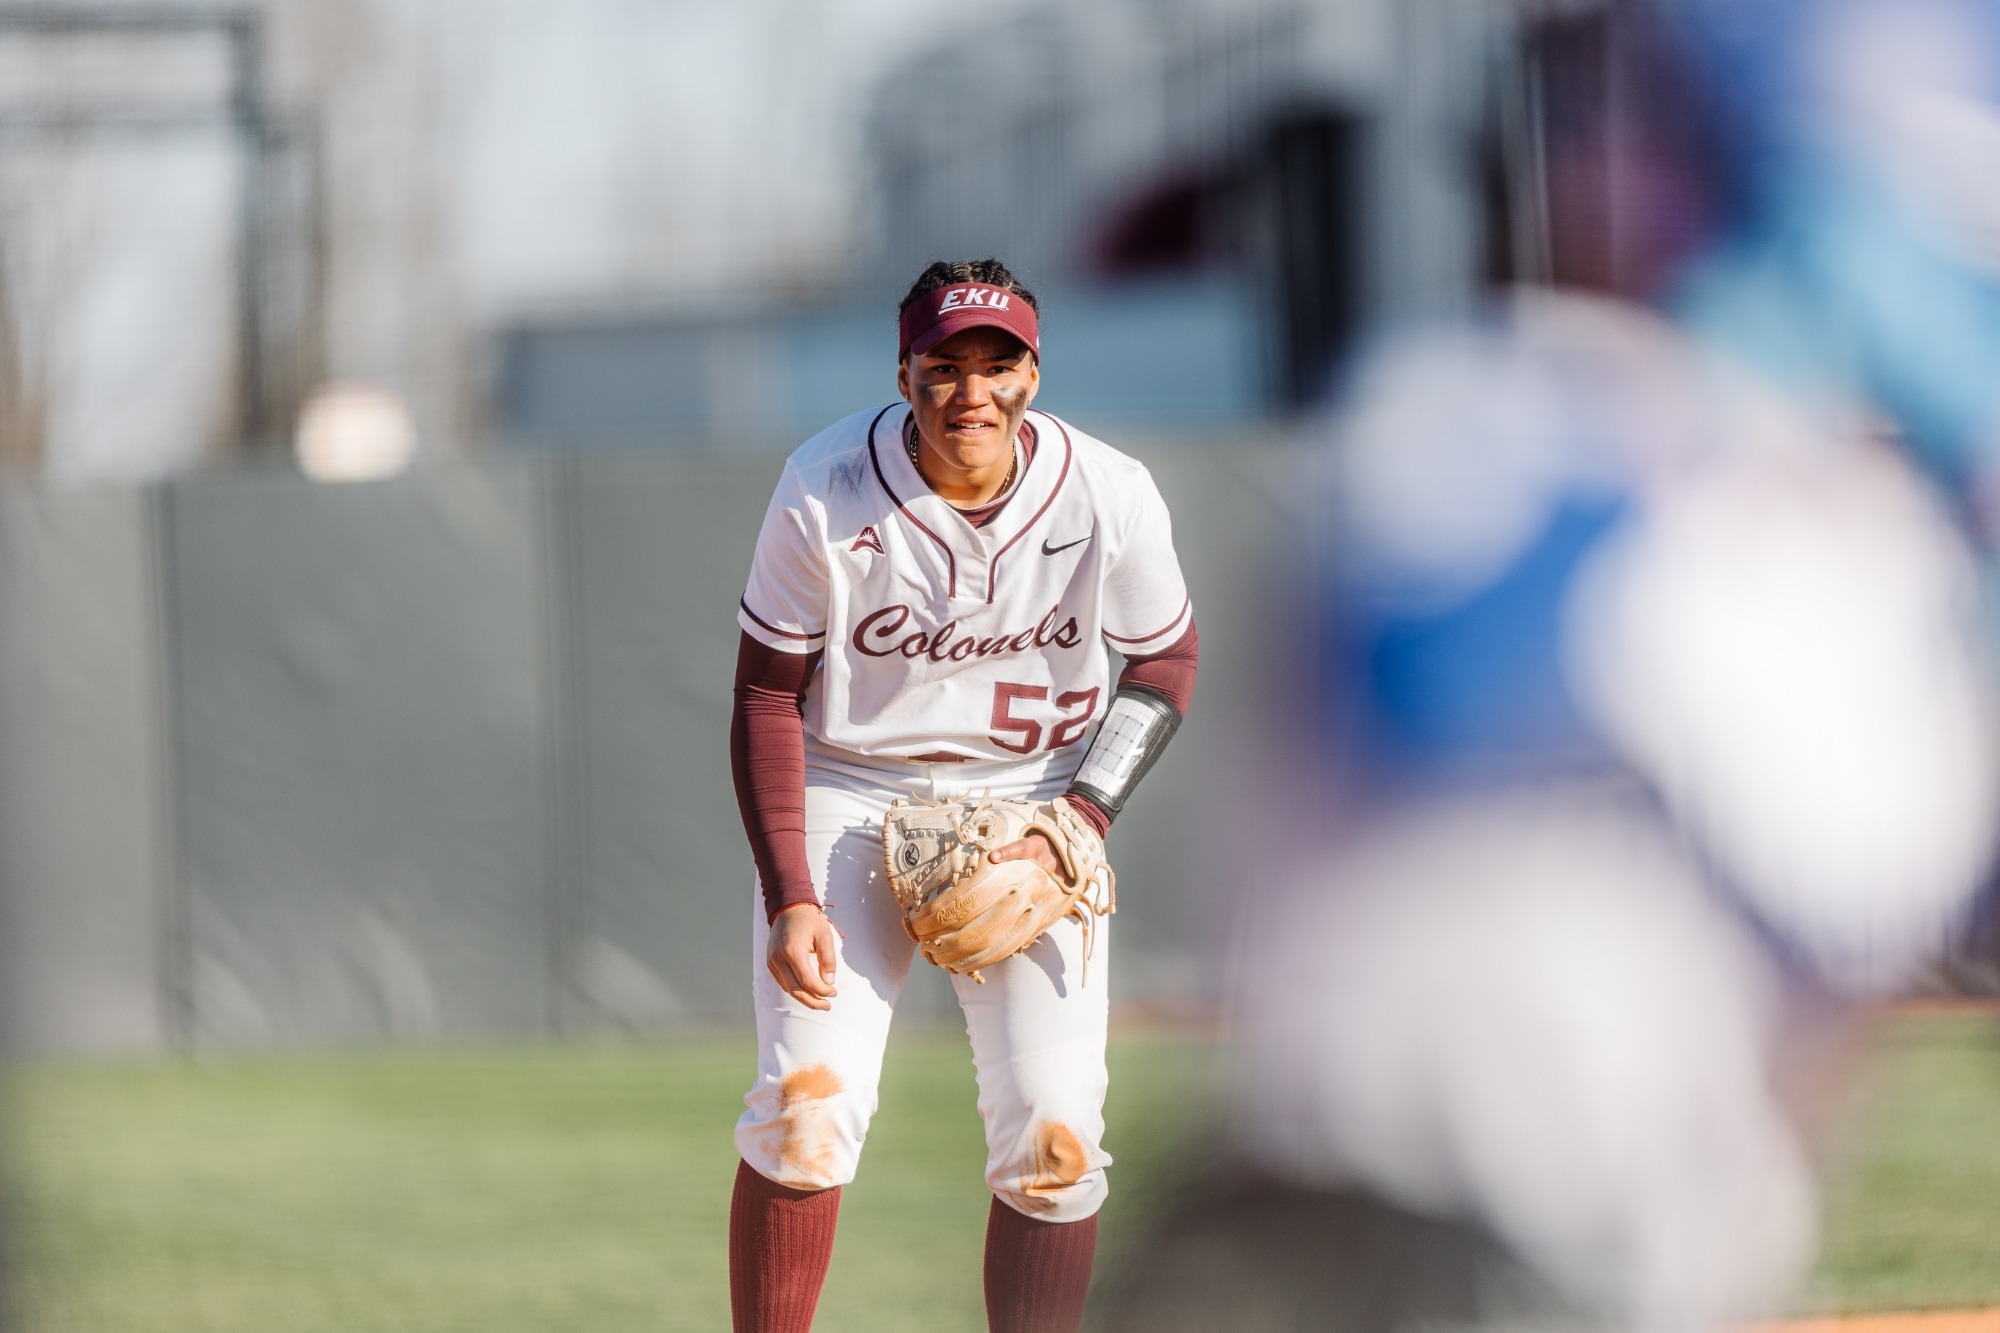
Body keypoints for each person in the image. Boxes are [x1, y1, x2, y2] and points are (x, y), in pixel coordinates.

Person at [725, 257, 1199, 1333]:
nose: (970, 392)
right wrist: (792, 892)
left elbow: (1165, 664)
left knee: (1053, 1134)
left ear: (1035, 373)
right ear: (904, 371)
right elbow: (764, 697)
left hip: (1032, 799)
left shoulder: (1105, 491)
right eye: (945, 366)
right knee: (806, 1111)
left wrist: (1075, 821)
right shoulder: (824, 485)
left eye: (998, 363)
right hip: (851, 786)